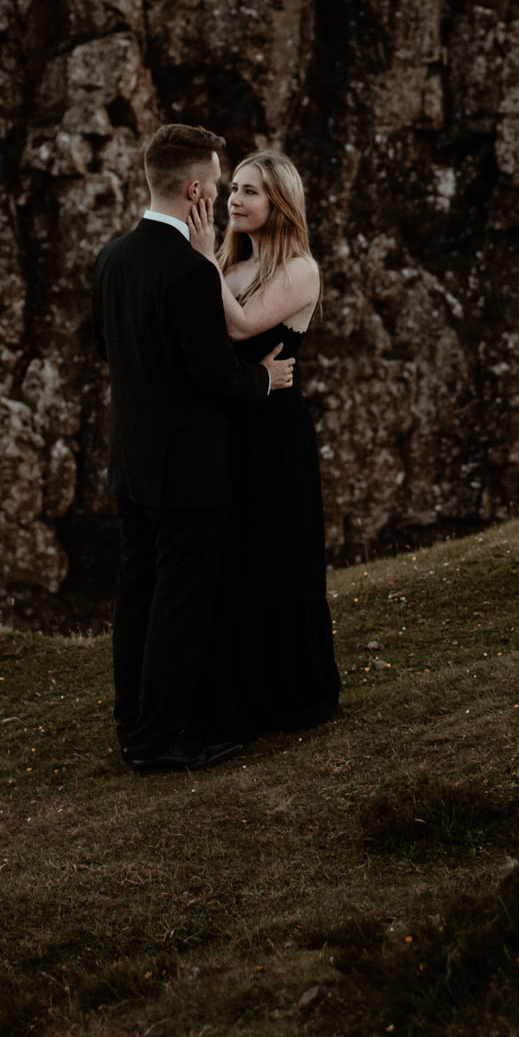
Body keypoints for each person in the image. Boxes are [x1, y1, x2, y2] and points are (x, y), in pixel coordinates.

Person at [92, 124, 295, 774]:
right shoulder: (186, 269)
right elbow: (214, 375)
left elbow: (106, 349)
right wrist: (266, 378)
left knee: (138, 597)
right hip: (187, 469)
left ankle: (133, 726)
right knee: (179, 606)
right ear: (197, 189)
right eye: (218, 178)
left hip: (132, 460)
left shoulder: (112, 258)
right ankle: (157, 741)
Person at [192, 150, 341, 737]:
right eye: (234, 189)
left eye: (250, 191)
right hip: (228, 428)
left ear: (278, 203)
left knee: (281, 554)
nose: (234, 199)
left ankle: (295, 695)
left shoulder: (299, 270)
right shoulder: (226, 267)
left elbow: (240, 328)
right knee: (236, 561)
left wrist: (201, 256)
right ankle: (243, 694)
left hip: (275, 435)